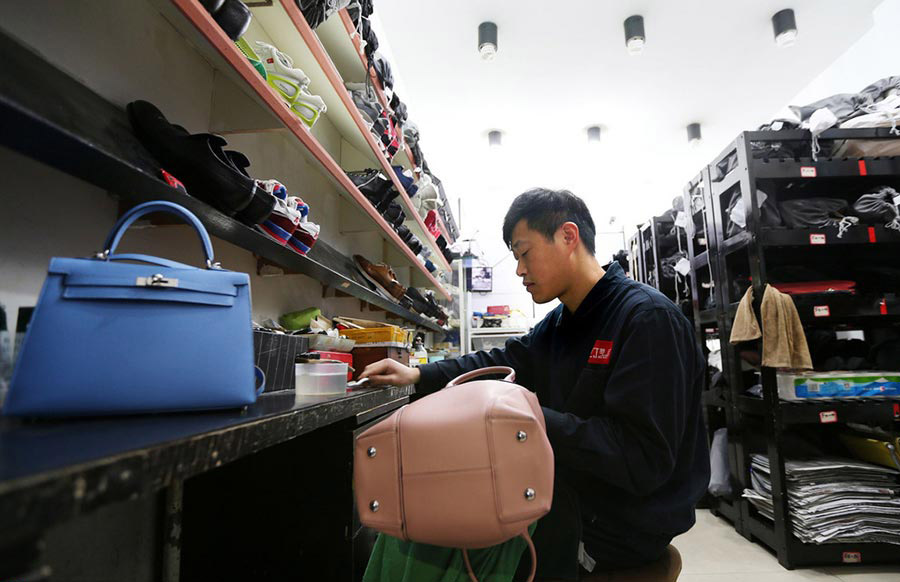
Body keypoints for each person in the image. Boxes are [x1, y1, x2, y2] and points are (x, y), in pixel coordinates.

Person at [361, 188, 710, 581]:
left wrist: (524, 417)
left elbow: (641, 461)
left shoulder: (646, 319)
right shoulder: (563, 322)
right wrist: (418, 375)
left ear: (568, 236)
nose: (519, 270)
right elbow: (504, 360)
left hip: (622, 521)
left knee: (450, 534)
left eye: (524, 253)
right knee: (429, 509)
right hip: (573, 491)